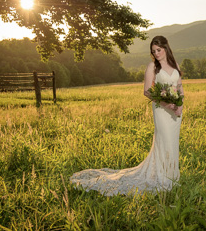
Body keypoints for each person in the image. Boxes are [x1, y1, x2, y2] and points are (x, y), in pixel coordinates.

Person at [70, 35, 184, 196]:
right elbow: (147, 91)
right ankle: (161, 177)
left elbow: (179, 88)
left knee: (172, 142)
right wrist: (167, 104)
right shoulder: (152, 67)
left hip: (176, 112)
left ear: (166, 48)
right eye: (153, 51)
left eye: (159, 50)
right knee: (163, 140)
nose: (156, 53)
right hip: (161, 109)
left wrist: (179, 106)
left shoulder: (175, 65)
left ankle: (172, 175)